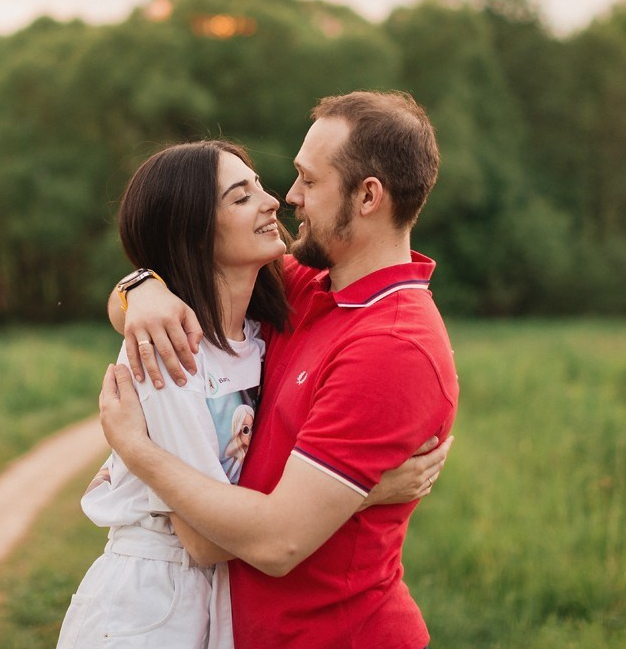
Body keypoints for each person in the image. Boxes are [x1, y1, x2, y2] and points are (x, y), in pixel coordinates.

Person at [101, 91, 459, 649]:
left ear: (368, 196)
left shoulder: (393, 346)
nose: (288, 197)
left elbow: (279, 543)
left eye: (309, 181)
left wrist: (136, 449)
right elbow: (194, 268)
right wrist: (138, 289)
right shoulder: (300, 286)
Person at [57, 140, 290, 648]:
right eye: (240, 196)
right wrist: (356, 492)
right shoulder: (171, 349)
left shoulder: (257, 334)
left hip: (218, 599)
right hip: (149, 605)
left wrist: (137, 284)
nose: (272, 200)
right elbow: (204, 540)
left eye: (260, 186)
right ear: (193, 232)